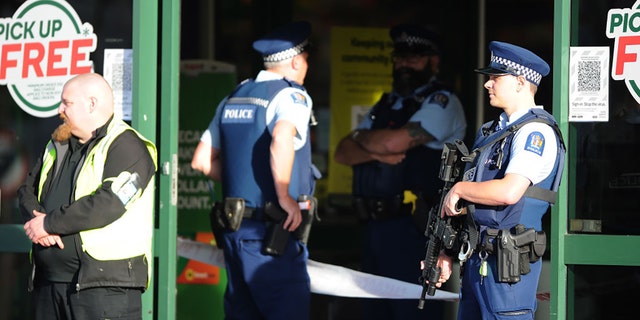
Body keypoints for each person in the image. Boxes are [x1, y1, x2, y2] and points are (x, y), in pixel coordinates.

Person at [334, 23, 467, 319]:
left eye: (414, 56)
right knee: (374, 312)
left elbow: (396, 141)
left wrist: (369, 143)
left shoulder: (441, 102)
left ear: (433, 61)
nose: (404, 63)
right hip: (374, 228)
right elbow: (342, 152)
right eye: (400, 56)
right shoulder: (387, 103)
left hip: (414, 229)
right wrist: (374, 146)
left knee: (413, 313)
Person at [191, 21, 319, 320]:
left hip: (236, 232)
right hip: (271, 234)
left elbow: (201, 160)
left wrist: (248, 179)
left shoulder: (234, 95)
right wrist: (283, 194)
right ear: (297, 61)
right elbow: (282, 138)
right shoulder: (291, 96)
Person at [430, 41, 566, 319]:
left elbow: (509, 191)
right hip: (477, 261)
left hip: (507, 267)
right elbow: (472, 201)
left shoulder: (534, 132)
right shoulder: (493, 132)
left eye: (495, 78)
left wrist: (460, 188)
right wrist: (446, 250)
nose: (487, 84)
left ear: (520, 82)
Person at [17, 72, 157, 319]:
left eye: (67, 103)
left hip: (105, 290)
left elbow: (109, 203)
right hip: (49, 285)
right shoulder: (56, 144)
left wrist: (49, 224)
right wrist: (37, 221)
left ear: (92, 104)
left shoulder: (127, 145)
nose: (60, 109)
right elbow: (26, 189)